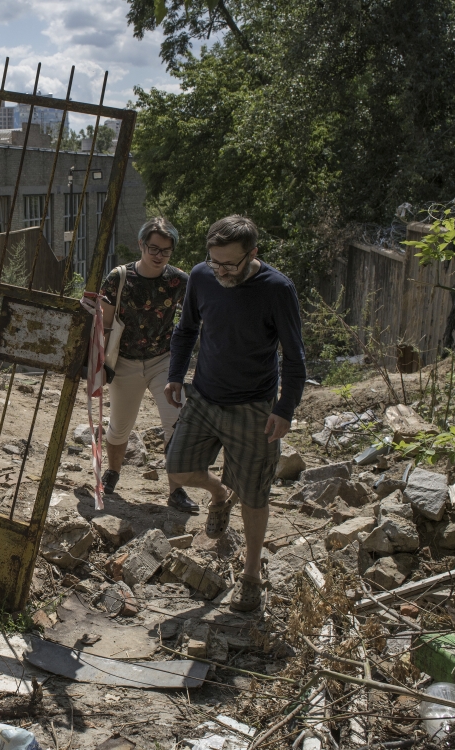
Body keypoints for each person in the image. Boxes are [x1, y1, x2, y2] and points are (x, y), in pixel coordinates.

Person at [164, 215, 306, 612]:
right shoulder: (201, 277)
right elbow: (186, 329)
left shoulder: (277, 289)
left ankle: (251, 575)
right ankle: (219, 493)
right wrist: (176, 375)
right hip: (205, 397)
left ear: (253, 254)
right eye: (215, 262)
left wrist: (285, 409)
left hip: (254, 407)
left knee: (256, 495)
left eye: (231, 264)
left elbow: (295, 358)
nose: (222, 272)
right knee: (177, 469)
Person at [99, 218, 197, 513]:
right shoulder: (119, 277)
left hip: (163, 361)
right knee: (120, 427)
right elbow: (103, 322)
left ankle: (177, 490)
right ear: (141, 245)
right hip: (124, 361)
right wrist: (99, 363)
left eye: (165, 251)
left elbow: (196, 317)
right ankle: (112, 472)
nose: (158, 255)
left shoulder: (181, 281)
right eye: (153, 248)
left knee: (176, 423)